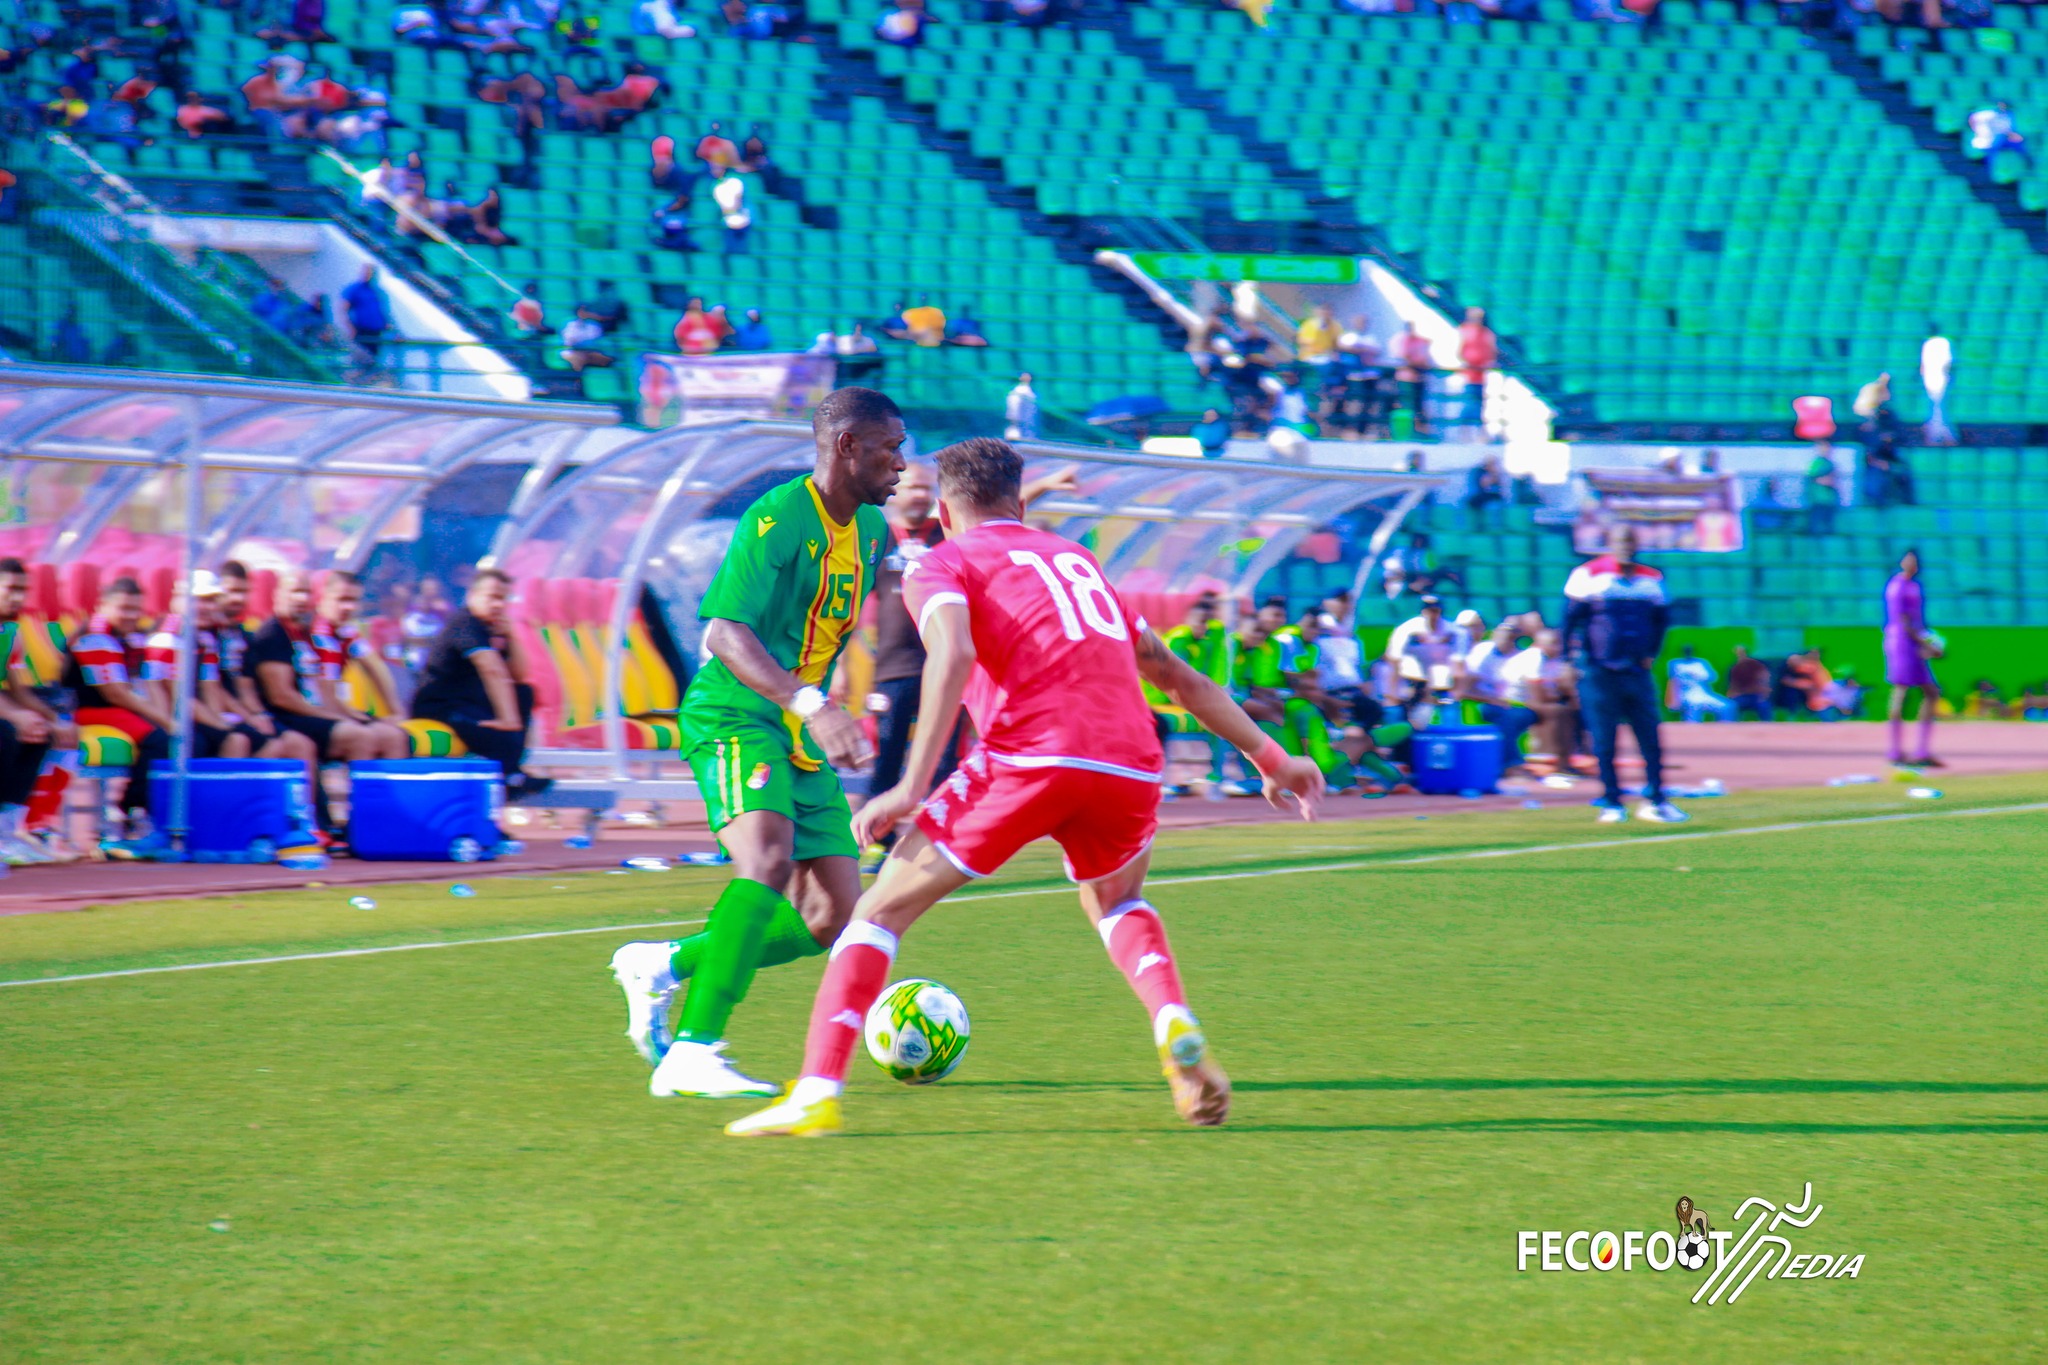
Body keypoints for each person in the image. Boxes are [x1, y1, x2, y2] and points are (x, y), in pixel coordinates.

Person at [722, 436, 1325, 1137]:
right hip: (1130, 760)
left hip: (1030, 755)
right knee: (1118, 901)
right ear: (1019, 500)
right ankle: (1172, 1019)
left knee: (876, 915)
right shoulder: (1077, 562)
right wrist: (1272, 758)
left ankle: (816, 1092)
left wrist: (911, 784)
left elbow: (953, 652)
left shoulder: (941, 562)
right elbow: (1176, 675)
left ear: (945, 510)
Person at [607, 388, 905, 1098]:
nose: (900, 463)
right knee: (765, 858)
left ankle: (664, 964)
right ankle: (694, 1049)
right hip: (738, 714)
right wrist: (813, 703)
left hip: (799, 728)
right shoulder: (776, 517)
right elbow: (722, 633)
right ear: (847, 446)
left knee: (830, 916)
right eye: (890, 448)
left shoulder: (871, 530)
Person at [1562, 525, 1686, 824]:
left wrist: (1651, 653)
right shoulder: (1589, 574)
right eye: (1620, 541)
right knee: (1604, 739)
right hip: (1600, 671)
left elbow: (1661, 621)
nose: (1626, 546)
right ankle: (1612, 801)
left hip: (1636, 670)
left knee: (1650, 737)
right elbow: (1569, 620)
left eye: (1630, 540)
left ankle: (1656, 799)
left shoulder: (1651, 578)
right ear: (1609, 543)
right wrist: (1568, 660)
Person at [249, 569, 409, 775]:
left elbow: (371, 667)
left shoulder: (306, 632)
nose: (301, 598)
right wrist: (338, 718)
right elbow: (281, 697)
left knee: (394, 736)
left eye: (306, 592)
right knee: (360, 736)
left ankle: (386, 795)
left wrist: (394, 713)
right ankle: (357, 794)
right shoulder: (277, 633)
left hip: (316, 713)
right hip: (290, 718)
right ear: (277, 594)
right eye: (295, 591)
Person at [410, 568, 551, 801]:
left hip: (470, 705)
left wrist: (511, 636)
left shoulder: (491, 629)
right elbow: (491, 669)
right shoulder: (465, 624)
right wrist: (508, 720)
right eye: (492, 597)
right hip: (441, 708)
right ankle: (508, 777)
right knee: (501, 731)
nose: (498, 605)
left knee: (524, 693)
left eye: (503, 599)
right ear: (472, 595)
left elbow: (519, 675)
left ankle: (511, 773)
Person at [66, 577, 174, 851]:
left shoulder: (129, 638)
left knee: (172, 736)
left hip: (114, 709)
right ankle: (132, 810)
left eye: (136, 609)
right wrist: (165, 721)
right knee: (158, 739)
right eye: (124, 608)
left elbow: (144, 683)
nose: (131, 616)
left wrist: (165, 717)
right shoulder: (95, 637)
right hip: (89, 711)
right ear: (103, 605)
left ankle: (150, 811)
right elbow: (115, 693)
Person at [0, 558, 68, 864]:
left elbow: (18, 689)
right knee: (7, 733)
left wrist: (55, 720)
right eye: (10, 589)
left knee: (41, 733)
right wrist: (15, 716)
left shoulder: (11, 633)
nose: (18, 597)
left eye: (23, 590)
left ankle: (8, 830)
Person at [1884, 548, 1942, 768]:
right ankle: (1897, 750)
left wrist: (1929, 642)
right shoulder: (1897, 586)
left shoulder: (1914, 586)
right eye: (1908, 560)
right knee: (1902, 690)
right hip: (1902, 642)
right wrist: (1925, 643)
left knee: (1929, 692)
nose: (1911, 564)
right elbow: (1904, 621)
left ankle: (1919, 750)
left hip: (1913, 642)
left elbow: (1918, 620)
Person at [1465, 618, 1537, 774]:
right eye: (1502, 630)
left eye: (1510, 632)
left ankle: (1508, 765)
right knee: (1504, 718)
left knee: (1513, 717)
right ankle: (1511, 764)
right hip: (1485, 702)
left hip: (1518, 705)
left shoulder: (1526, 656)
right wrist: (1492, 700)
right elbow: (1467, 688)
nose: (1505, 635)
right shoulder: (1482, 653)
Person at [1666, 644, 1737, 722]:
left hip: (1703, 694)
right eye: (1686, 651)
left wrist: (1696, 675)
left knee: (1727, 706)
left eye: (1689, 651)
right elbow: (1673, 682)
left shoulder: (1701, 663)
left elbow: (1712, 678)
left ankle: (1725, 727)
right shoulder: (1676, 664)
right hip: (1685, 695)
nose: (1688, 653)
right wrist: (1673, 700)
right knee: (1694, 706)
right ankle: (1691, 728)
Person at [339, 264, 390, 369]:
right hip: (361, 330)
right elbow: (343, 309)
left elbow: (381, 310)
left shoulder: (376, 291)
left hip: (376, 332)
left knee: (373, 359)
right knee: (360, 358)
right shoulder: (354, 289)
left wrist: (387, 325)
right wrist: (350, 327)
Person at [1921, 322, 1955, 446]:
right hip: (1933, 378)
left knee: (1938, 407)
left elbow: (1946, 363)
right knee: (1936, 407)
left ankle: (1941, 436)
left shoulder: (1940, 342)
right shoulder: (1936, 342)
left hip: (1937, 378)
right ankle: (1940, 435)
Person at [1726, 644, 1772, 721]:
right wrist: (1731, 694)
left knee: (1764, 706)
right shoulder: (1734, 668)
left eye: (1741, 652)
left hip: (1756, 695)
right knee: (1732, 706)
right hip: (1741, 695)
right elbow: (1732, 685)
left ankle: (1767, 725)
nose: (1739, 654)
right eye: (1738, 652)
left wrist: (1764, 693)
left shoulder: (1757, 665)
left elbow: (1765, 680)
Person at [710, 166, 749, 255]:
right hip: (727, 220)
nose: (715, 171)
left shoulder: (735, 182)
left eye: (717, 169)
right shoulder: (715, 186)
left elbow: (737, 202)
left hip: (742, 218)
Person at [1805, 444, 1840, 535]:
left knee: (1828, 523)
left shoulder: (1830, 463)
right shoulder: (1816, 463)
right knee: (1815, 523)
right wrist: (1826, 481)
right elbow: (1812, 477)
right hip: (1818, 497)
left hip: (1829, 498)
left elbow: (1834, 479)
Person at [1003, 372, 1038, 441]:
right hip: (1019, 422)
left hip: (1029, 422)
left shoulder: (1030, 391)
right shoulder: (1018, 391)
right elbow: (1013, 406)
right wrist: (1013, 417)